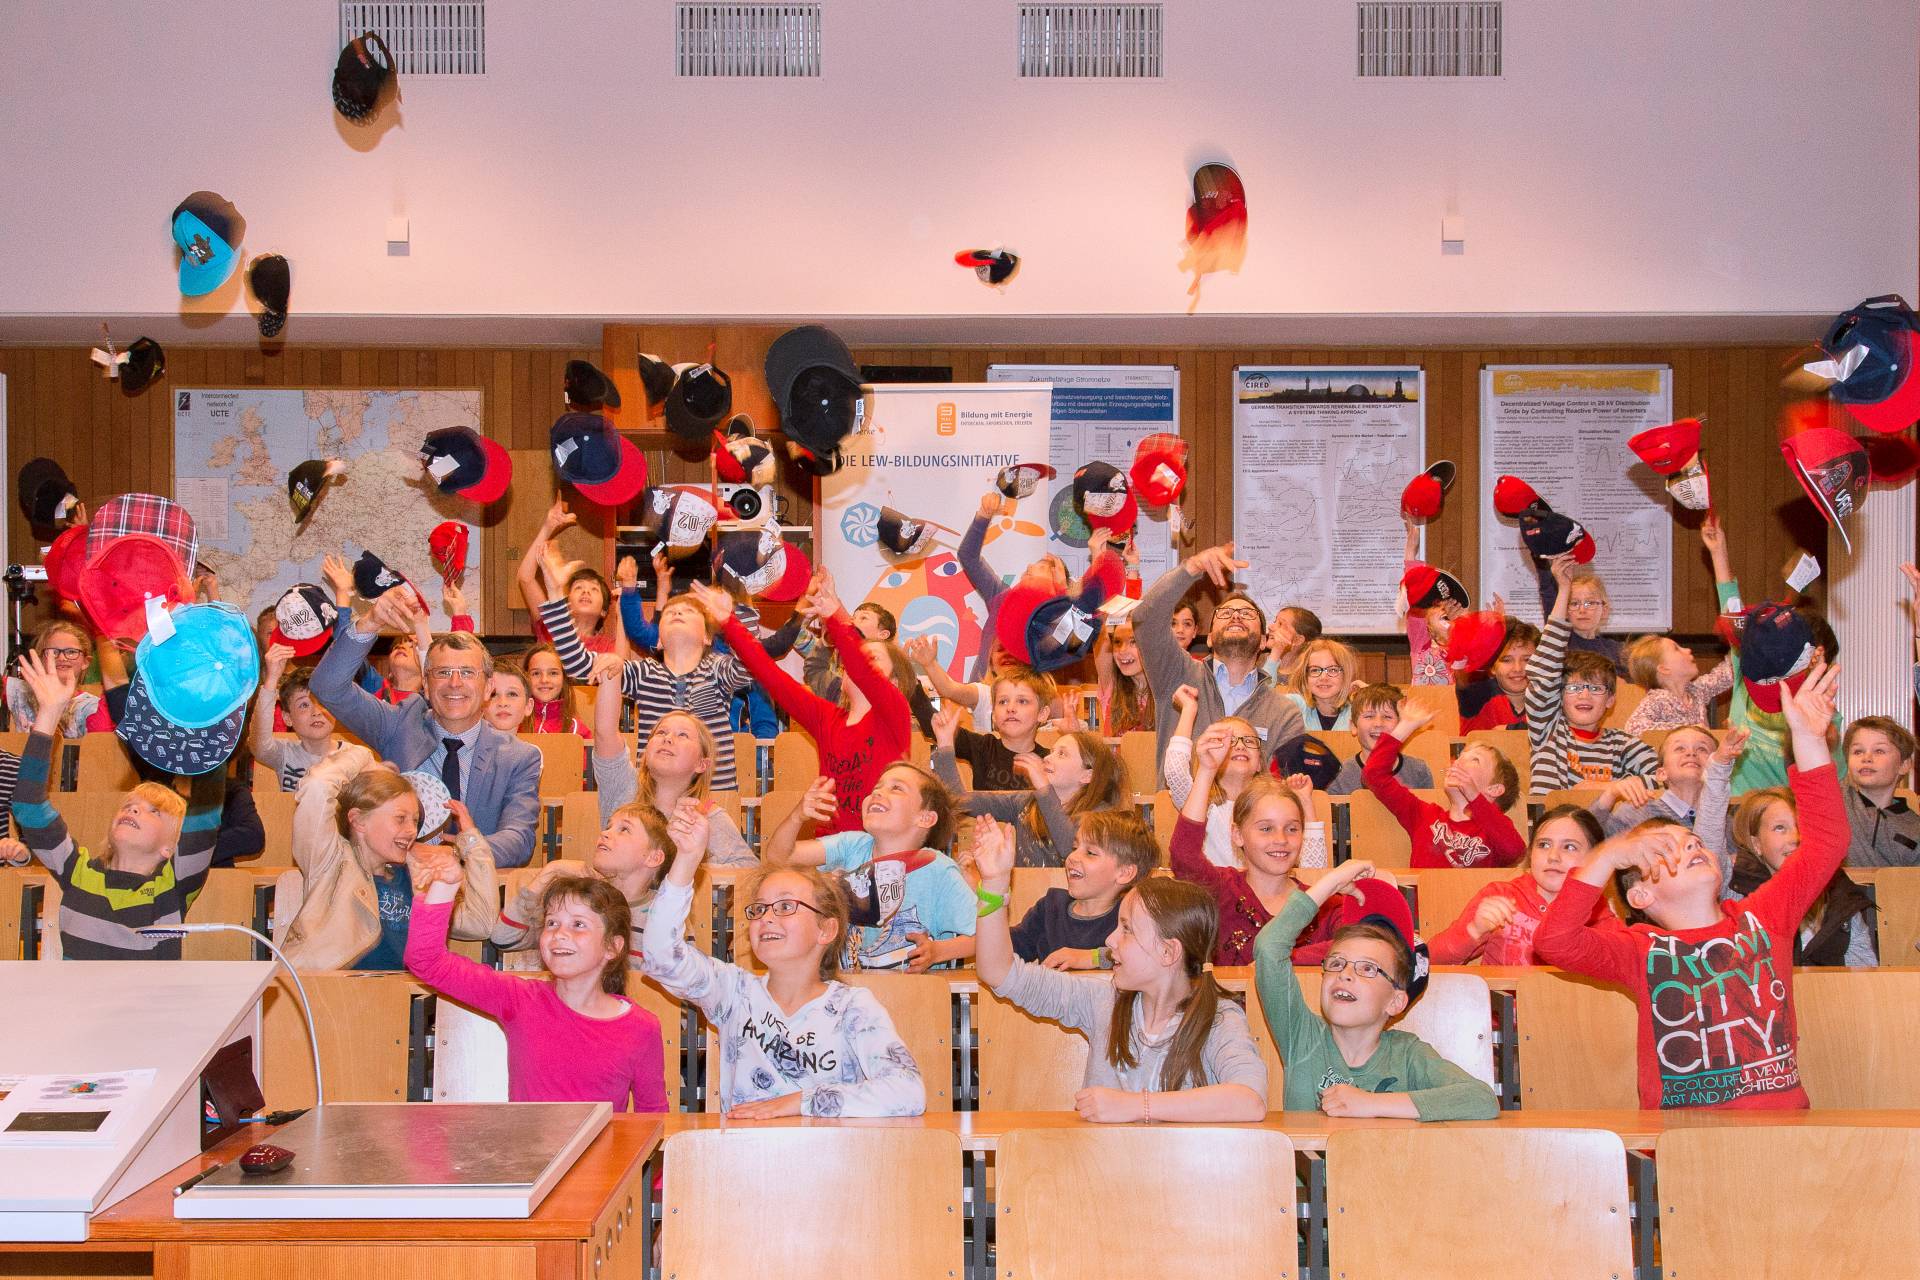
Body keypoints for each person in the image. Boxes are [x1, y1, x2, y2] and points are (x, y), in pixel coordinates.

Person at [1535, 661, 1847, 1109]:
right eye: (1666, 849)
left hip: (1783, 1139)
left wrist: (1810, 742)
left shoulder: (1763, 919)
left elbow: (1827, 843)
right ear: (1640, 895)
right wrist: (1604, 856)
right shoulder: (1640, 950)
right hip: (1685, 1147)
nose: (1690, 847)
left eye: (1694, 840)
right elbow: (1555, 941)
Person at [973, 817, 1267, 1122]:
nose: (1111, 940)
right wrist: (994, 884)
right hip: (1102, 1167)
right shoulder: (1103, 1000)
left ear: (1168, 952)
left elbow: (1250, 1101)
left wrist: (1136, 1106)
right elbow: (998, 971)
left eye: (1126, 929)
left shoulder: (1219, 1018)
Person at [641, 812, 927, 1117]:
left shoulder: (852, 1007)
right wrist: (686, 860)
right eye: (760, 908)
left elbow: (908, 1091)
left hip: (827, 1159)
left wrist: (798, 1103)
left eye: (786, 906)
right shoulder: (733, 991)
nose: (766, 917)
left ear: (826, 930)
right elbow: (660, 956)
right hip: (747, 1157)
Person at [10, 651, 224, 959]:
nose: (134, 809)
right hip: (80, 1007)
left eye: (154, 811)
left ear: (170, 847)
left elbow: (204, 815)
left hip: (146, 1008)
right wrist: (48, 716)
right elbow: (29, 807)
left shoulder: (173, 885)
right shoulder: (77, 871)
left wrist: (205, 713)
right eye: (129, 805)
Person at [312, 588, 543, 868]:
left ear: (488, 688)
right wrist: (369, 623)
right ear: (425, 682)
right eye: (442, 673)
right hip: (398, 885)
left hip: (475, 891)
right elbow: (327, 687)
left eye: (467, 673)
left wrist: (456, 853)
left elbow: (519, 839)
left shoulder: (518, 757)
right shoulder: (398, 724)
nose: (454, 683)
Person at [1253, 858, 1499, 1119]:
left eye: (1368, 968)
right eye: (1336, 963)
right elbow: (1269, 949)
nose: (1345, 975)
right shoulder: (1302, 1037)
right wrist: (1331, 883)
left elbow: (1481, 1099)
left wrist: (1369, 1104)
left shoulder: (1407, 1054)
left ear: (1395, 1001)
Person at [408, 866, 668, 1111]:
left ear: (613, 946)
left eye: (578, 925)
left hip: (605, 1159)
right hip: (530, 1156)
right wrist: (444, 889)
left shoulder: (642, 1027)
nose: (559, 934)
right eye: (552, 923)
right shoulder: (520, 999)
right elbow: (426, 962)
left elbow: (652, 1118)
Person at [702, 574, 913, 833]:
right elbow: (770, 675)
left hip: (884, 845)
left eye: (874, 659)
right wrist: (728, 622)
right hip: (831, 851)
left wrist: (835, 615)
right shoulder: (827, 718)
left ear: (893, 682)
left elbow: (861, 668)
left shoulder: (895, 712)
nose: (857, 663)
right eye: (857, 658)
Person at [280, 746, 497, 969]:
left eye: (414, 820)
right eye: (400, 818)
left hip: (401, 1000)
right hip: (332, 998)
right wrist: (366, 758)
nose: (412, 830)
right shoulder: (329, 861)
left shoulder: (417, 877)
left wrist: (472, 843)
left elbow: (481, 923)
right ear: (358, 821)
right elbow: (317, 786)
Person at [766, 765, 976, 972]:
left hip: (910, 1000)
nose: (877, 792)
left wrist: (939, 951)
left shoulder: (939, 870)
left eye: (896, 788)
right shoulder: (851, 845)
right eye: (877, 786)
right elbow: (778, 857)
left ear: (925, 818)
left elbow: (984, 937)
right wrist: (797, 817)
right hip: (847, 996)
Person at [542, 588, 751, 793]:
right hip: (654, 802)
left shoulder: (718, 669)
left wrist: (737, 612)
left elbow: (751, 665)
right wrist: (555, 594)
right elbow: (577, 663)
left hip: (713, 799)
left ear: (707, 637)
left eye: (688, 611)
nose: (677, 612)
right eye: (669, 613)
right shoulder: (644, 673)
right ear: (659, 641)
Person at [1134, 541, 1304, 768]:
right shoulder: (1175, 675)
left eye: (1246, 613)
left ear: (1264, 641)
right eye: (1225, 613)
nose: (1236, 616)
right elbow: (1145, 619)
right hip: (1180, 804)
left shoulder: (1284, 713)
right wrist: (1191, 568)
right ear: (1210, 637)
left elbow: (1285, 787)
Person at [1172, 727, 1331, 966]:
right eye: (1266, 828)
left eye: (1292, 829)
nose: (1281, 839)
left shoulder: (1320, 902)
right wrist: (1206, 771)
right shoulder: (1222, 888)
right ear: (1237, 835)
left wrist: (1274, 961)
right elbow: (1184, 855)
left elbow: (1362, 944)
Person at [587, 673, 754, 867]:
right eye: (661, 732)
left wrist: (691, 866)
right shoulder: (623, 785)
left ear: (701, 764)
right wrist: (611, 675)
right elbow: (604, 733)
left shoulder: (707, 817)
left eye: (682, 735)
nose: (668, 739)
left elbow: (748, 868)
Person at [1523, 554, 1659, 794]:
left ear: (1610, 699)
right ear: (1559, 694)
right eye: (1574, 688)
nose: (1584, 695)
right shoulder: (1548, 731)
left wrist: (1615, 788)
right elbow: (1545, 668)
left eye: (1596, 688)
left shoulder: (1620, 744)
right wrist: (1563, 587)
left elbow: (1664, 775)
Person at [1428, 806, 1622, 964]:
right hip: (1505, 1012)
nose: (1553, 857)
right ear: (1531, 854)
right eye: (1544, 845)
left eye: (1569, 847)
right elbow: (1430, 960)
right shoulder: (1500, 895)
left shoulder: (1599, 915)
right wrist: (1474, 930)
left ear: (1593, 860)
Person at [932, 710, 1124, 867]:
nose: (1048, 758)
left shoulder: (1101, 815)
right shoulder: (1025, 801)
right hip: (1026, 907)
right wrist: (946, 743)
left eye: (1062, 754)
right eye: (1051, 752)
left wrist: (1044, 790)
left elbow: (1071, 852)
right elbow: (959, 800)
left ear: (1087, 775)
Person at [492, 798, 675, 961]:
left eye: (624, 829)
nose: (605, 833)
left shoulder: (669, 913)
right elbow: (503, 938)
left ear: (653, 858)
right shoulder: (573, 901)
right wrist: (550, 871)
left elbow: (682, 987)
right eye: (608, 827)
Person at [1726, 787, 1878, 967]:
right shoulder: (1737, 890)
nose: (1795, 838)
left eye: (1802, 827)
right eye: (1780, 828)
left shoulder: (1840, 892)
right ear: (1756, 843)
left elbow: (1864, 972)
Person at [1364, 700, 1523, 868]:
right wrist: (1404, 727)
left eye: (1475, 760)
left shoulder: (1495, 832)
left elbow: (1515, 851)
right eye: (1460, 756)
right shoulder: (1424, 815)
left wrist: (1473, 795)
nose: (1458, 761)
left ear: (1494, 789)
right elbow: (1374, 774)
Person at [1006, 810, 1159, 968]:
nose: (1072, 857)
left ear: (1124, 873)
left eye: (1090, 853)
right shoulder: (1050, 906)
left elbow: (1151, 954)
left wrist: (1093, 957)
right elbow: (1009, 948)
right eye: (1074, 847)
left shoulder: (1132, 916)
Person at [1163, 687, 1286, 867]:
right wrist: (1189, 710)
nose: (1240, 746)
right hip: (1212, 892)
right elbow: (1175, 771)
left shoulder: (1274, 807)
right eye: (1229, 741)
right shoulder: (1200, 802)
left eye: (1249, 741)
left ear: (1260, 762)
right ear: (1211, 756)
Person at [957, 489, 1070, 682]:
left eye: (1042, 567)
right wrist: (984, 516)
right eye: (1034, 563)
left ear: (1054, 583)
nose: (1030, 566)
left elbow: (1070, 643)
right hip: (982, 696)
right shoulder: (1002, 598)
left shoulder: (1053, 620)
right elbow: (968, 557)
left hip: (1025, 701)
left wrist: (1063, 594)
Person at [1590, 725, 1742, 839]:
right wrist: (1609, 795)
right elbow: (1589, 843)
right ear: (1661, 773)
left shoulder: (1728, 822)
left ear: (1716, 767)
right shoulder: (1636, 811)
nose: (1691, 753)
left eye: (1702, 749)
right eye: (1679, 748)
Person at [518, 498, 614, 652]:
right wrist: (547, 527)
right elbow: (525, 578)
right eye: (578, 587)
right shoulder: (551, 626)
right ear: (566, 604)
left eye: (594, 589)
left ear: (604, 611)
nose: (586, 591)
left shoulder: (609, 647)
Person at [249, 644, 344, 791]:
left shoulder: (357, 756)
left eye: (322, 702)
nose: (316, 712)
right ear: (287, 718)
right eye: (304, 705)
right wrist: (272, 679)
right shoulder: (284, 753)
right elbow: (259, 744)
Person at [948, 667, 1054, 792]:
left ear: (1042, 713)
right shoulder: (982, 747)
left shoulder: (1051, 760)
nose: (1010, 708)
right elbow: (932, 723)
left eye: (1022, 701)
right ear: (993, 715)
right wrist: (928, 665)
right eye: (1003, 702)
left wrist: (1072, 732)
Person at [1838, 715, 1920, 867]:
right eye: (1857, 751)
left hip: (1894, 890)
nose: (1866, 758)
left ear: (1904, 765)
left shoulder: (1915, 828)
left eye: (1879, 751)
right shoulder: (1836, 801)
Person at [6, 620, 109, 737]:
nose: (62, 657)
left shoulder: (91, 706)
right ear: (40, 659)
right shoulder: (19, 691)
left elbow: (102, 746)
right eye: (53, 652)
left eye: (71, 652)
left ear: (86, 662)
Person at [1329, 683, 1433, 796]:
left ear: (1401, 726)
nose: (1378, 723)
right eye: (1369, 716)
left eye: (1387, 717)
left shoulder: (1419, 771)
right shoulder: (1339, 775)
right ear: (1354, 726)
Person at [1457, 618, 1540, 732]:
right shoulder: (1478, 694)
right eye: (1506, 660)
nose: (1517, 668)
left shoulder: (1549, 697)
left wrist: (1508, 729)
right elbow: (1462, 675)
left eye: (1527, 660)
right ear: (1492, 666)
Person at [1286, 638, 1360, 732]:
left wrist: (1368, 699)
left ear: (1346, 675)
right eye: (1315, 670)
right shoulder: (1293, 705)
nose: (1323, 677)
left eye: (1333, 670)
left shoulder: (1358, 711)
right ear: (1305, 676)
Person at [1094, 624, 1155, 736]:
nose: (1122, 651)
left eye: (1133, 642)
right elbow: (1098, 627)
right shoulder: (1111, 684)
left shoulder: (1167, 689)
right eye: (1117, 642)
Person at [523, 644, 590, 737]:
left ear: (564, 677)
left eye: (553, 673)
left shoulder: (576, 729)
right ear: (525, 677)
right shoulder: (515, 722)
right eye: (536, 673)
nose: (544, 680)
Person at [1262, 606, 1321, 683]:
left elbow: (1264, 689)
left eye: (1280, 624)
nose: (1270, 627)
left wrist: (1276, 651)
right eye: (1274, 621)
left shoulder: (1307, 677)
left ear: (1298, 640)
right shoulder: (1256, 661)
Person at [484, 661, 533, 732]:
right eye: (493, 695)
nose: (502, 703)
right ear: (480, 705)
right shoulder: (464, 742)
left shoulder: (538, 743)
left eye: (512, 694)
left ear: (528, 706)